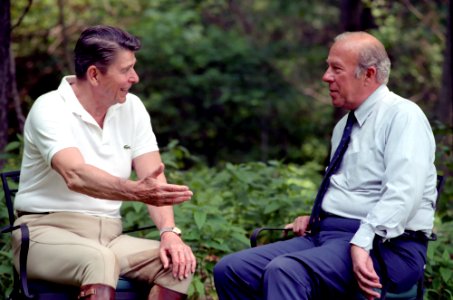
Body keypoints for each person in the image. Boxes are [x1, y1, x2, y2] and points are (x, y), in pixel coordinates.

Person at [213, 31, 438, 299]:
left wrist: (362, 241)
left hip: (388, 246)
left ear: (368, 74)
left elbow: (404, 194)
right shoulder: (344, 125)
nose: (326, 76)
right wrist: (321, 215)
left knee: (286, 271)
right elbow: (353, 190)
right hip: (328, 237)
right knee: (232, 269)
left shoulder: (403, 116)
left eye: (336, 69)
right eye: (327, 66)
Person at [12, 25, 196, 300]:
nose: (135, 77)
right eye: (125, 70)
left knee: (178, 265)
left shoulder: (132, 108)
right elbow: (76, 174)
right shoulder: (49, 107)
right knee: (100, 260)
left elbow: (153, 177)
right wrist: (135, 190)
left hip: (110, 237)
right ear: (95, 74)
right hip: (44, 235)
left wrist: (169, 232)